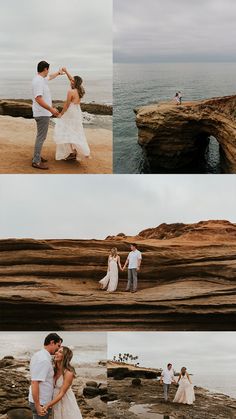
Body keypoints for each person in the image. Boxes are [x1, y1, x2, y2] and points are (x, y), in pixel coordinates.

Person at [53, 67, 90, 162]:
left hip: (70, 111)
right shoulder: (80, 90)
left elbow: (66, 105)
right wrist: (66, 72)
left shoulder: (71, 91)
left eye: (72, 80)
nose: (70, 81)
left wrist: (61, 114)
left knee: (65, 129)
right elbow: (71, 79)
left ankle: (71, 152)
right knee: (75, 131)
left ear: (75, 82)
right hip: (77, 111)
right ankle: (74, 152)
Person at [32, 61, 62, 170]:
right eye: (48, 69)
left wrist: (58, 73)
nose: (48, 71)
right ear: (45, 69)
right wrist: (51, 109)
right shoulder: (38, 81)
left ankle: (37, 156)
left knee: (41, 136)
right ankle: (36, 161)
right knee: (41, 137)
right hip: (42, 113)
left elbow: (50, 77)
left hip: (42, 113)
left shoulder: (41, 79)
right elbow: (38, 98)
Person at [29, 332, 63, 418]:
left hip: (41, 401)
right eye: (58, 345)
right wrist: (37, 406)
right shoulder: (44, 359)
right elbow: (34, 382)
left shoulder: (40, 355)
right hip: (41, 402)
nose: (58, 349)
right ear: (52, 342)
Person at [43, 346, 83, 418]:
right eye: (57, 351)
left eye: (60, 352)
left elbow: (62, 393)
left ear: (65, 357)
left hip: (65, 400)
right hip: (55, 399)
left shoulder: (68, 373)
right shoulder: (53, 370)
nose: (56, 353)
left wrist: (48, 405)